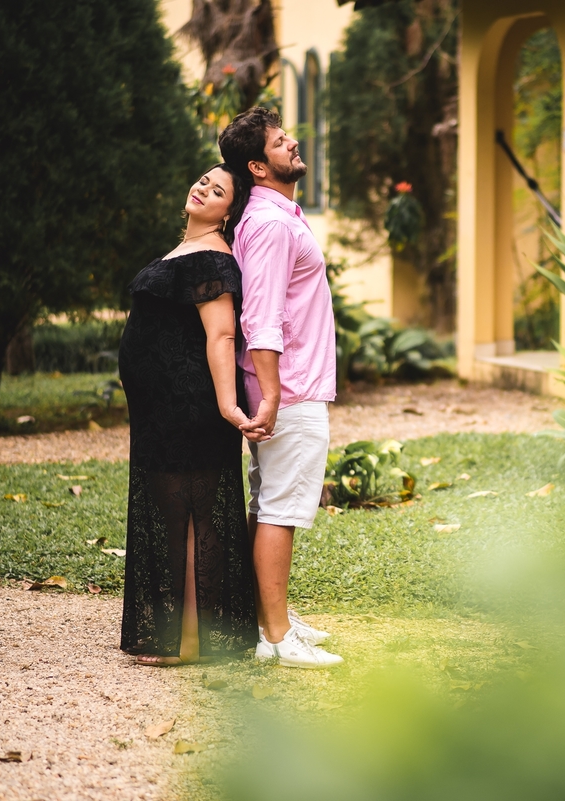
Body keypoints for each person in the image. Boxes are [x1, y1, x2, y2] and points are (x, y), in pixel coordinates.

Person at [118, 164, 261, 666]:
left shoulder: (213, 260)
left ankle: (190, 640)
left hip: (190, 405)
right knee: (172, 512)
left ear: (228, 212)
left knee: (194, 517)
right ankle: (183, 634)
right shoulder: (185, 249)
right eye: (203, 180)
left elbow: (221, 335)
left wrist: (227, 405)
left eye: (217, 190)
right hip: (160, 412)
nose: (203, 189)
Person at [218, 107, 342, 668]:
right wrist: (270, 395)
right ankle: (273, 637)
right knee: (281, 511)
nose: (293, 143)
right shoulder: (269, 225)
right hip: (287, 389)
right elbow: (260, 318)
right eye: (279, 141)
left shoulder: (277, 215)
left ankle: (269, 620)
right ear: (257, 166)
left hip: (288, 386)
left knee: (270, 503)